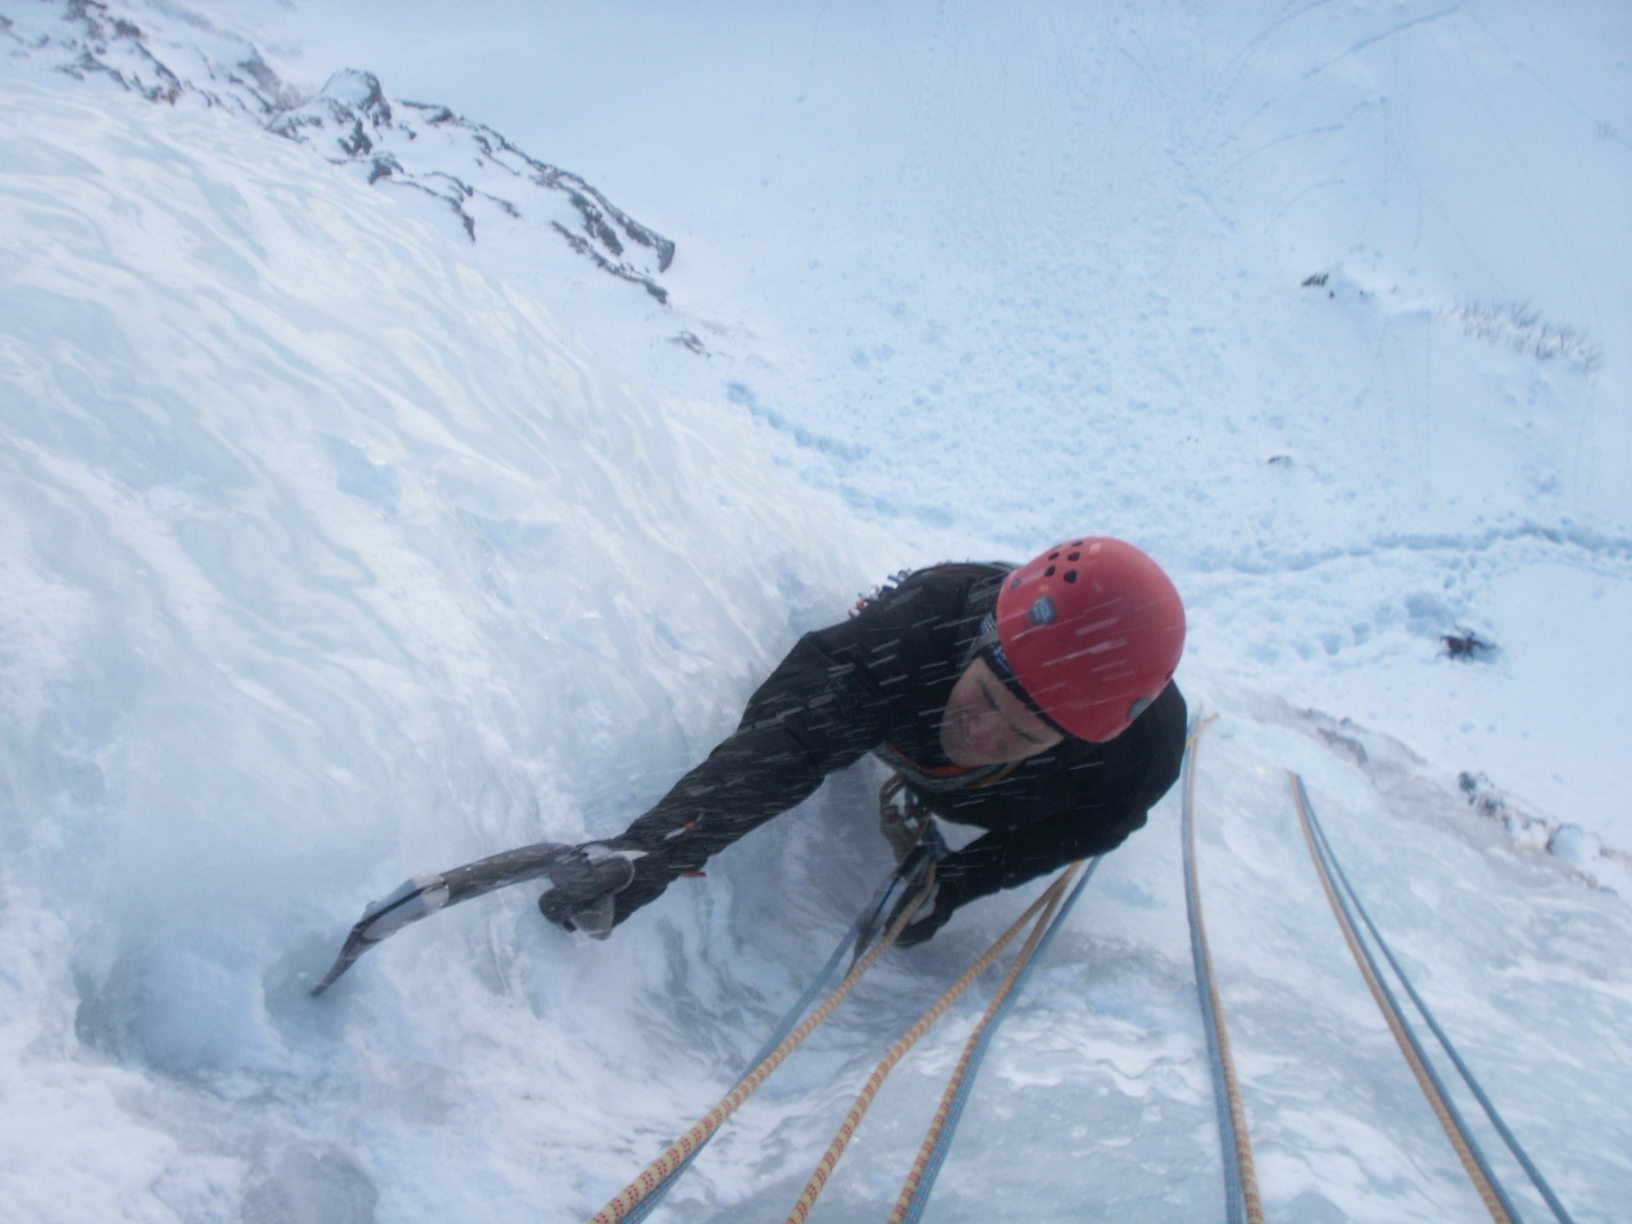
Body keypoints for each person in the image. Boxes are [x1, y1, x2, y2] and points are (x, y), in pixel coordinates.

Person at [539, 537, 1188, 946]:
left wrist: (956, 883)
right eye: (986, 696)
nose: (981, 733)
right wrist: (650, 851)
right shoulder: (915, 636)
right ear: (979, 642)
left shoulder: (1137, 757)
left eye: (1024, 732)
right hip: (912, 682)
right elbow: (790, 743)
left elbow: (1084, 830)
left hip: (999, 791)